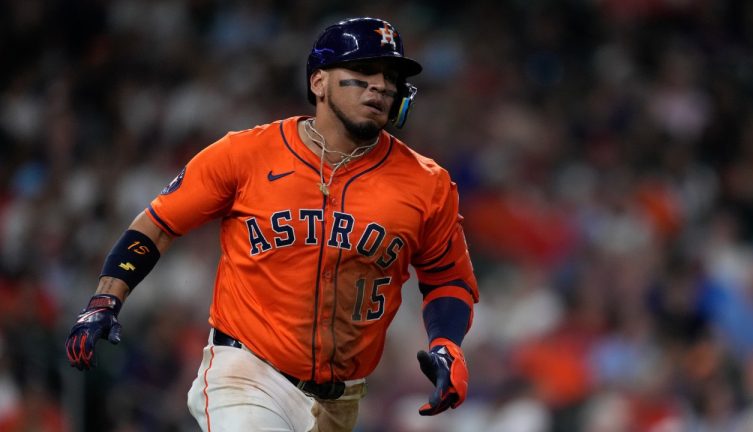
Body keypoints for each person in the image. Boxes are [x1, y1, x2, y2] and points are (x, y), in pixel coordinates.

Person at [64, 16, 479, 432]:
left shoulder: (428, 184)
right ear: (319, 82)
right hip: (246, 373)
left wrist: (447, 345)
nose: (380, 86)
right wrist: (104, 300)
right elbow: (157, 225)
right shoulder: (245, 155)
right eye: (363, 71)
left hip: (343, 396)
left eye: (390, 76)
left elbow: (448, 280)